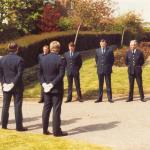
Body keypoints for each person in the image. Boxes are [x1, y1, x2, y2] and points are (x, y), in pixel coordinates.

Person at [39, 41, 68, 136]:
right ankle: (56, 131)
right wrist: (52, 84)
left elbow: (40, 74)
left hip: (46, 88)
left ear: (50, 48)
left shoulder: (43, 58)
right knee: (56, 109)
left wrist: (44, 84)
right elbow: (61, 74)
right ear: (58, 48)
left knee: (46, 108)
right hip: (56, 88)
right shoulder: (61, 59)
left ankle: (44, 129)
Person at [0, 42, 28, 131]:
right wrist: (13, 83)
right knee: (17, 106)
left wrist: (3, 83)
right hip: (17, 86)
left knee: (5, 106)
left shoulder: (2, 59)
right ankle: (19, 126)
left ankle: (4, 125)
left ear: (8, 48)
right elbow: (19, 74)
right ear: (17, 49)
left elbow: (1, 73)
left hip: (6, 84)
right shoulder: (20, 59)